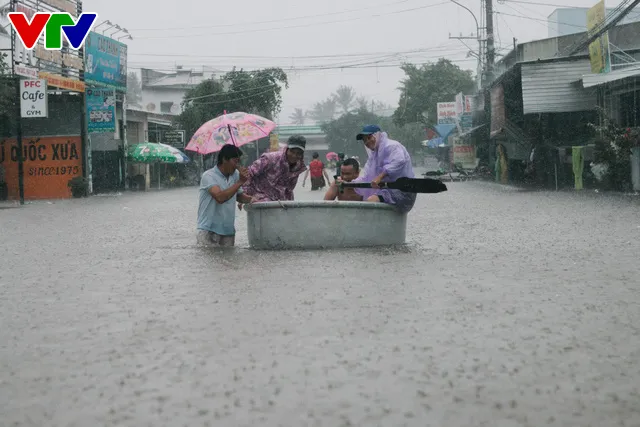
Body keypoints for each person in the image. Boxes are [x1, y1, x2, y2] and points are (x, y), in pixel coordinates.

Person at [348, 124, 417, 213]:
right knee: (354, 196)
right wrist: (349, 183)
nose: (367, 142)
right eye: (364, 140)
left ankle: (372, 225)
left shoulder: (392, 146)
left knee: (371, 201)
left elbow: (399, 161)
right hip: (387, 190)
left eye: (369, 137)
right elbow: (367, 177)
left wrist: (380, 176)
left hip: (403, 190)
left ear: (377, 135)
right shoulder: (373, 157)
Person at [196, 144, 254, 247]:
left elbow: (239, 196)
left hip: (228, 231)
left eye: (238, 162)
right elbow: (220, 197)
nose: (237, 165)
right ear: (224, 159)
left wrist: (254, 199)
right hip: (209, 230)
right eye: (235, 161)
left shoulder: (235, 175)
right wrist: (240, 181)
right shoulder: (209, 176)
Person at [242, 135, 307, 202]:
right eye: (292, 151)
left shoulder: (298, 167)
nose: (294, 156)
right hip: (261, 199)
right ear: (287, 149)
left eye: (298, 153)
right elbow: (249, 173)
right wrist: (245, 195)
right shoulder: (270, 158)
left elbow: (289, 190)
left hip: (280, 203)